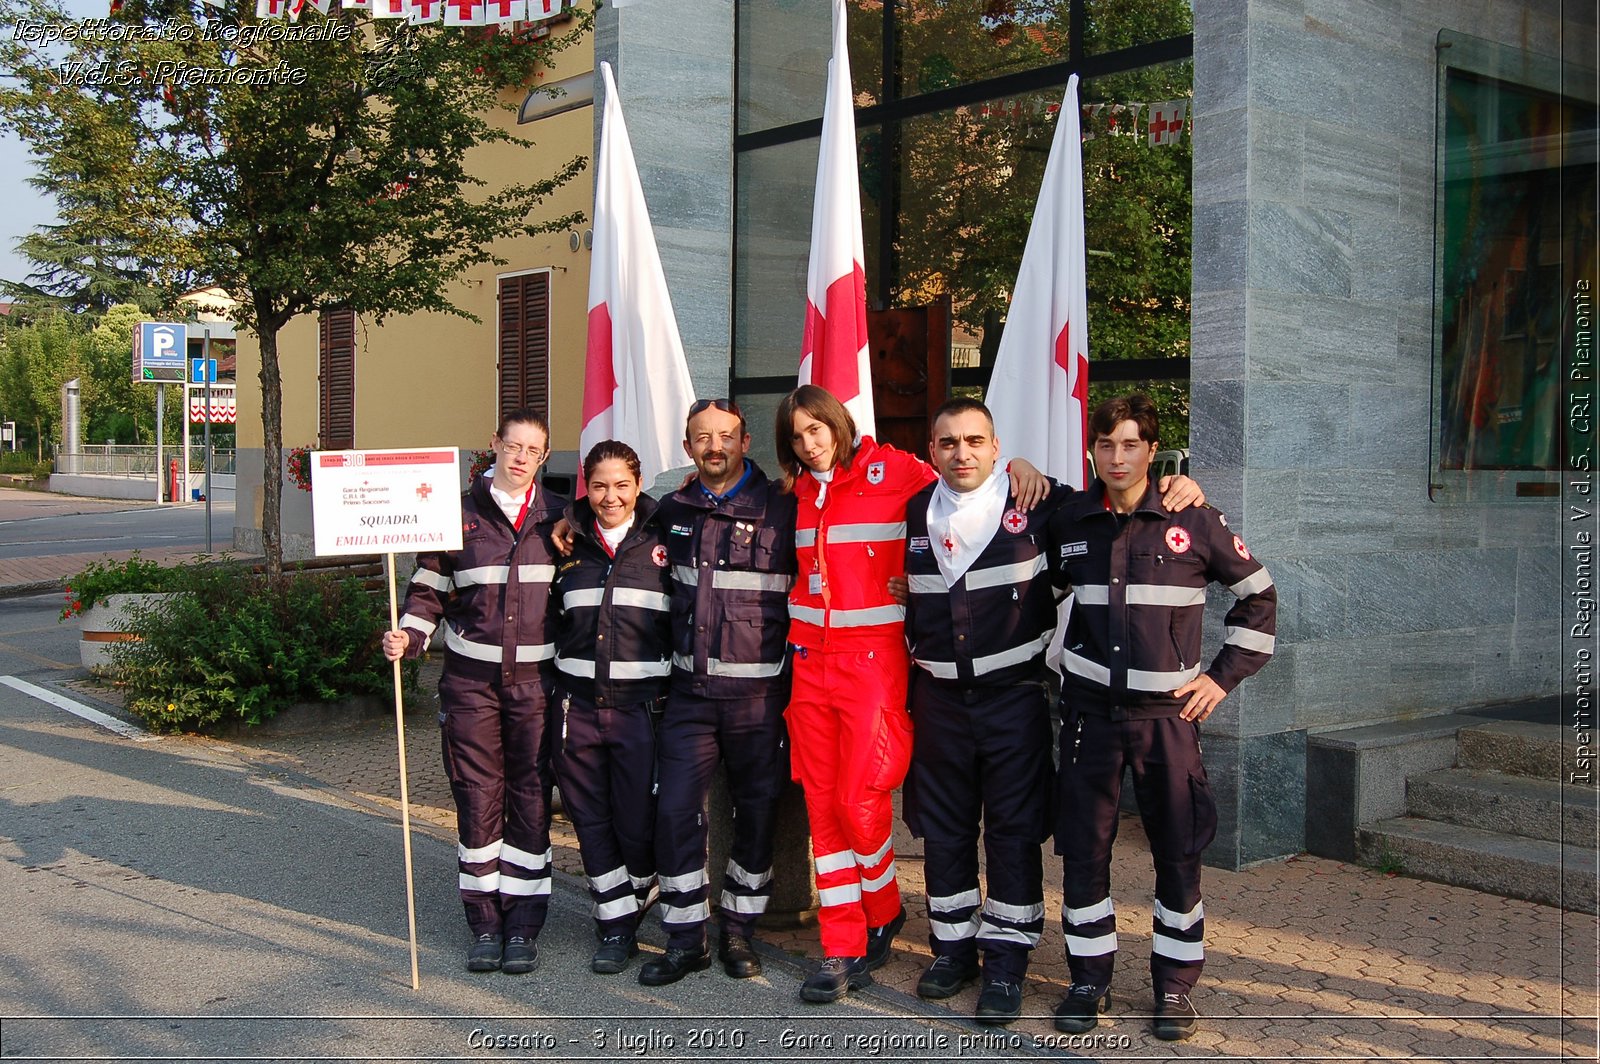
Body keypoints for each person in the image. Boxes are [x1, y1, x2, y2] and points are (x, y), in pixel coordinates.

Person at [900, 397, 1203, 1025]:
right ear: (932, 451)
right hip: (939, 703)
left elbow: (1118, 497)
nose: (963, 454)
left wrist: (1180, 483)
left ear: (996, 447)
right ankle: (953, 949)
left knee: (1013, 832)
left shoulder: (1042, 507)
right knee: (945, 831)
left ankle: (1006, 964)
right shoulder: (909, 512)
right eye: (949, 442)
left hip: (1014, 699)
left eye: (976, 441)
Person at [775, 383, 1047, 1004]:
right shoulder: (792, 494)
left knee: (859, 797)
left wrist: (1021, 467)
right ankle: (844, 940)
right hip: (808, 666)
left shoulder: (894, 468)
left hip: (873, 665)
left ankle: (885, 910)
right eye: (798, 436)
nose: (811, 443)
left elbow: (968, 484)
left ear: (840, 424)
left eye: (818, 428)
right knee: (822, 805)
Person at [1047, 393, 1276, 1042]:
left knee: (1178, 855)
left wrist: (1220, 678)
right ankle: (1087, 981)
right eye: (1105, 444)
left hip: (1167, 725)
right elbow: (1032, 589)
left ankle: (1174, 989)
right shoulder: (1070, 521)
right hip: (1090, 718)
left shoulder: (1193, 520)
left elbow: (1260, 600)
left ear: (1152, 450)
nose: (1117, 457)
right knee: (1084, 855)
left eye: (1130, 444)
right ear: (1091, 449)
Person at [383, 408, 562, 976]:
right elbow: (428, 590)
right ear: (494, 445)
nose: (520, 458)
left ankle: (525, 926)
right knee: (478, 797)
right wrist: (408, 636)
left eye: (532, 451)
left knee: (531, 799)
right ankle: (485, 923)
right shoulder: (454, 513)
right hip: (471, 688)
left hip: (537, 689)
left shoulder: (561, 518)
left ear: (543, 457)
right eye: (513, 446)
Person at [637, 398, 797, 987]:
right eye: (702, 438)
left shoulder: (786, 507)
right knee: (676, 811)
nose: (714, 447)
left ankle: (738, 931)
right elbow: (614, 531)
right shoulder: (672, 509)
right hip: (690, 697)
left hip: (760, 701)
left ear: (745, 440)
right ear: (687, 449)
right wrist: (569, 522)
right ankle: (685, 939)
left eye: (725, 436)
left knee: (756, 815)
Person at [549, 440, 674, 976]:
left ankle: (639, 889)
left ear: (638, 484)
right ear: (585, 485)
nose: (610, 496)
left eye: (621, 484)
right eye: (599, 485)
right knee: (590, 818)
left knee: (637, 821)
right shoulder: (564, 544)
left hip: (640, 708)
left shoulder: (664, 541)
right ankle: (615, 922)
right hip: (576, 707)